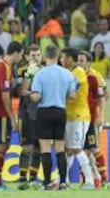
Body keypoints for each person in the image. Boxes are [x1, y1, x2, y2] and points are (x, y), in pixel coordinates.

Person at [30, 45, 76, 190]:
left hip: (44, 111)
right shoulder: (67, 74)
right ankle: (62, 182)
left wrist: (30, 94)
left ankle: (47, 182)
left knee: (45, 149)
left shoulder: (40, 74)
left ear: (45, 56)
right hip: (60, 111)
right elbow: (73, 96)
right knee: (60, 149)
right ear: (58, 56)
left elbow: (36, 97)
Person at [0, 42, 23, 190]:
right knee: (2, 145)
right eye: (21, 55)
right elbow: (5, 95)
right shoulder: (5, 68)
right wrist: (11, 116)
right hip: (0, 112)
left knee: (4, 144)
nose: (20, 58)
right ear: (15, 52)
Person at [60, 48, 94, 190]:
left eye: (63, 57)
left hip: (79, 116)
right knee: (68, 149)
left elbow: (72, 90)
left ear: (69, 59)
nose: (61, 60)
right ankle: (63, 180)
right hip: (69, 115)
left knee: (77, 148)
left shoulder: (78, 72)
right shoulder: (67, 72)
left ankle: (89, 181)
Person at [77, 51, 110, 189]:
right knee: (84, 152)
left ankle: (103, 180)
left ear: (89, 62)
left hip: (92, 119)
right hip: (79, 119)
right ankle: (90, 180)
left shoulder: (96, 76)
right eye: (78, 60)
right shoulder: (76, 75)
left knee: (93, 149)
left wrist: (100, 115)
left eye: (82, 60)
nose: (79, 63)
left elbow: (105, 96)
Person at [16, 44, 42, 190]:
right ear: (26, 57)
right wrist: (28, 76)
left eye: (38, 55)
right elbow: (20, 92)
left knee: (39, 147)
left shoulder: (45, 71)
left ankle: (32, 178)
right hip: (26, 114)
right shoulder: (22, 71)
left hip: (42, 114)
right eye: (33, 55)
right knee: (27, 147)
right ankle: (22, 177)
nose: (36, 58)